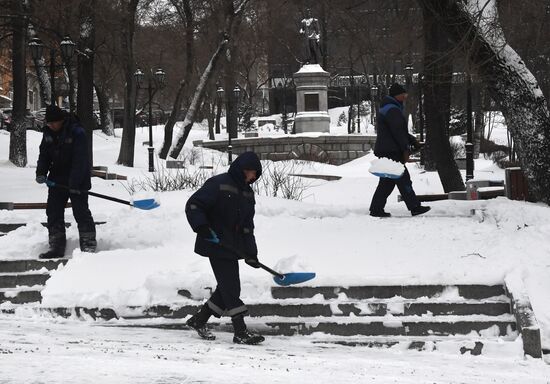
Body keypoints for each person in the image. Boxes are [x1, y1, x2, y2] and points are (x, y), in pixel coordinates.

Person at [185, 151, 265, 345]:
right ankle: (240, 331)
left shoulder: (247, 193)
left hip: (232, 246)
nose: (254, 177)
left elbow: (247, 226)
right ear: (244, 169)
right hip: (214, 242)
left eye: (256, 174)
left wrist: (251, 253)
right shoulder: (218, 183)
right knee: (231, 287)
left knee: (225, 288)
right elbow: (194, 205)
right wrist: (202, 228)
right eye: (253, 173)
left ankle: (199, 320)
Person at [35, 105, 96, 259]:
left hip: (78, 178)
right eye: (48, 124)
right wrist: (41, 172)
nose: (51, 126)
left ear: (61, 121)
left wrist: (74, 184)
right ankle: (56, 245)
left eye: (53, 123)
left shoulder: (76, 131)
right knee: (53, 211)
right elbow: (44, 154)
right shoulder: (48, 133)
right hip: (58, 178)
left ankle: (88, 244)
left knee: (80, 211)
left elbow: (81, 160)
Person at [369, 83, 431, 218]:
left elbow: (399, 131)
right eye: (404, 94)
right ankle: (414, 207)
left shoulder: (389, 108)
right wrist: (405, 148)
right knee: (403, 180)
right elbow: (398, 132)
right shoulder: (392, 110)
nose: (406, 96)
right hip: (392, 151)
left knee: (387, 182)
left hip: (387, 149)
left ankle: (376, 209)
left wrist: (412, 141)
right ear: (397, 95)